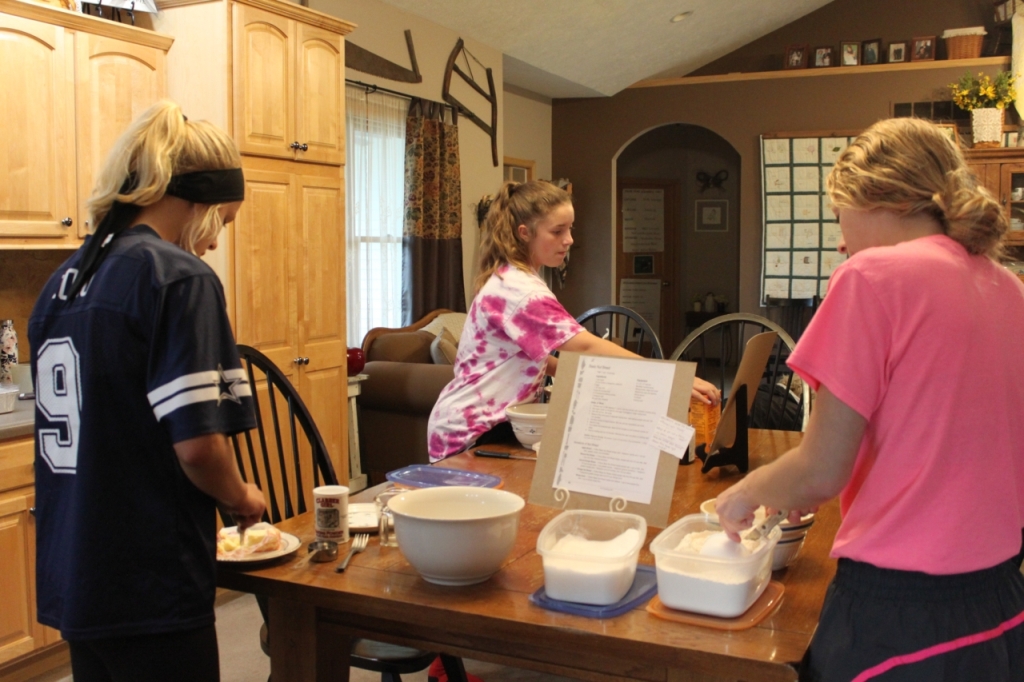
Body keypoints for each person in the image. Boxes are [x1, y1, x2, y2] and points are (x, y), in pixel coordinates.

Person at [715, 117, 1024, 681]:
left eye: (839, 215)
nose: (840, 241)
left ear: (880, 198)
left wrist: (744, 494)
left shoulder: (871, 276)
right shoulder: (1008, 287)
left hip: (901, 617)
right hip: (1001, 601)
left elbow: (820, 470)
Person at [30, 100, 265, 682]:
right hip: (149, 576)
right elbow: (198, 446)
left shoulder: (64, 281)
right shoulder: (177, 277)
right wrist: (241, 497)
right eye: (222, 222)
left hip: (78, 571)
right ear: (197, 202)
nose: (214, 244)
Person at [427, 180, 720, 461]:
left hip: (488, 425)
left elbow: (531, 359)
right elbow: (585, 346)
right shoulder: (521, 291)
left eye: (570, 229)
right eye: (557, 231)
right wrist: (670, 379)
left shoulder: (515, 278)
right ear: (524, 233)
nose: (569, 240)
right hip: (470, 433)